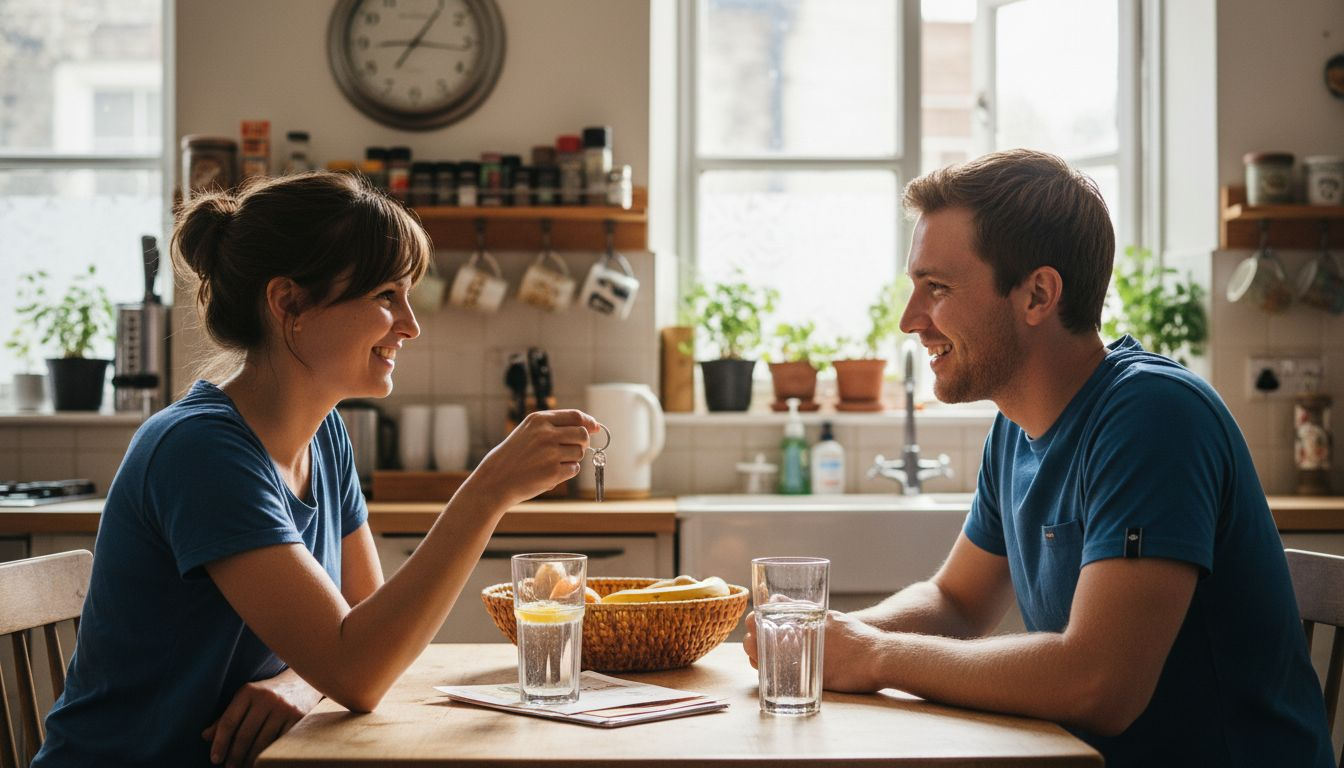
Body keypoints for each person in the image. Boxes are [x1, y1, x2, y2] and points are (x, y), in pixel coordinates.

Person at [743, 149, 1334, 766]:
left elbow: (1100, 682)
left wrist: (873, 657)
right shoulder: (1015, 429)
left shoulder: (1153, 417)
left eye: (937, 288)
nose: (909, 320)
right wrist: (827, 638)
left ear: (1038, 295)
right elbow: (957, 602)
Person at [33, 171, 601, 767]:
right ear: (290, 304)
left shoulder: (324, 434)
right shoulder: (199, 451)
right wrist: (487, 491)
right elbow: (360, 670)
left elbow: (368, 635)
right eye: (386, 295)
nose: (410, 324)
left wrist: (300, 683)